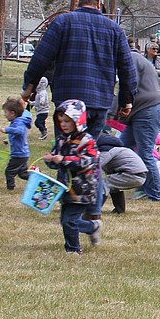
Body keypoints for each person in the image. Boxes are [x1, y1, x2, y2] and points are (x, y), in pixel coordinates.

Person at [23, 0, 137, 224]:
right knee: (89, 154)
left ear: (81, 3)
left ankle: (66, 203)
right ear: (99, 5)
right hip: (98, 102)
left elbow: (41, 57)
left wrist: (29, 86)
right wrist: (126, 100)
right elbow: (127, 69)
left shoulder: (63, 22)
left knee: (65, 150)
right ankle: (93, 208)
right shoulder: (114, 30)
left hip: (68, 101)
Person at [43, 100, 102, 254]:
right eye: (61, 121)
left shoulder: (87, 140)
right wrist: (51, 160)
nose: (63, 124)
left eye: (67, 121)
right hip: (65, 187)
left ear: (78, 120)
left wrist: (65, 160)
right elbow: (57, 161)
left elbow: (88, 161)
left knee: (70, 221)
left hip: (83, 188)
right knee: (65, 221)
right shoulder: (61, 140)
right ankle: (92, 227)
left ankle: (73, 250)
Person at [121, 44, 160, 202]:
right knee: (121, 147)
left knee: (145, 153)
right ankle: (144, 184)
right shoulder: (136, 59)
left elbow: (129, 86)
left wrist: (117, 108)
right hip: (142, 111)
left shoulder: (131, 59)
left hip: (148, 110)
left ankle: (157, 194)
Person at [96, 132, 147, 214]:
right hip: (138, 175)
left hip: (133, 175)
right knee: (113, 186)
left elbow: (95, 166)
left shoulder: (106, 150)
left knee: (104, 184)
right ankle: (119, 210)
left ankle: (94, 211)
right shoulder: (115, 148)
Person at [0, 97, 32, 190]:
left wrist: (7, 130)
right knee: (23, 174)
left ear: (12, 113)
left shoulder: (19, 123)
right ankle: (35, 180)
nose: (5, 115)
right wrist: (9, 140)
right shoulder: (16, 122)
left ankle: (10, 188)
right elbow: (17, 136)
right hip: (22, 154)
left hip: (19, 154)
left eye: (6, 112)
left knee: (9, 172)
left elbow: (19, 131)